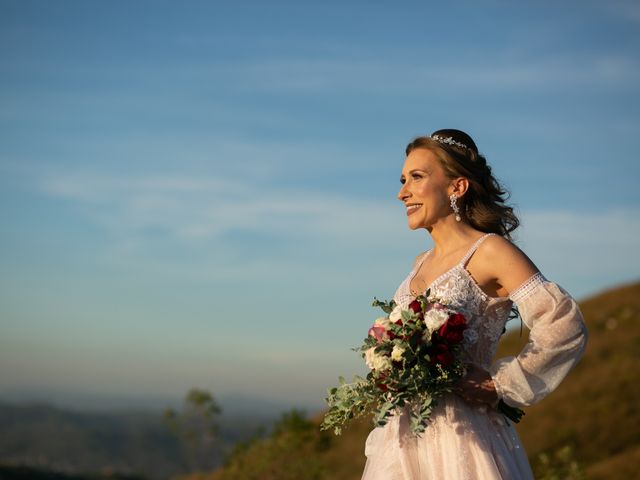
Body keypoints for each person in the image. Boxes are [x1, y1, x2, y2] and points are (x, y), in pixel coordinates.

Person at [360, 129, 588, 480]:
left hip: (461, 440)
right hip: (404, 440)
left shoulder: (490, 251)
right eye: (403, 179)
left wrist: (500, 384)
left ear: (457, 187)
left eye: (416, 177)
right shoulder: (420, 263)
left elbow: (565, 326)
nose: (401, 192)